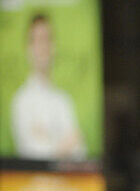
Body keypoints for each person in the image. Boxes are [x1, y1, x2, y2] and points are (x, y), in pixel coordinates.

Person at [10, 13, 87, 161]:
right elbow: (33, 153)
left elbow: (80, 151)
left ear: (54, 46)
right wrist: (64, 144)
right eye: (38, 40)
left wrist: (46, 139)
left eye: (47, 39)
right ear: (29, 48)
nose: (43, 47)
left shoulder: (64, 101)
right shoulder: (21, 101)